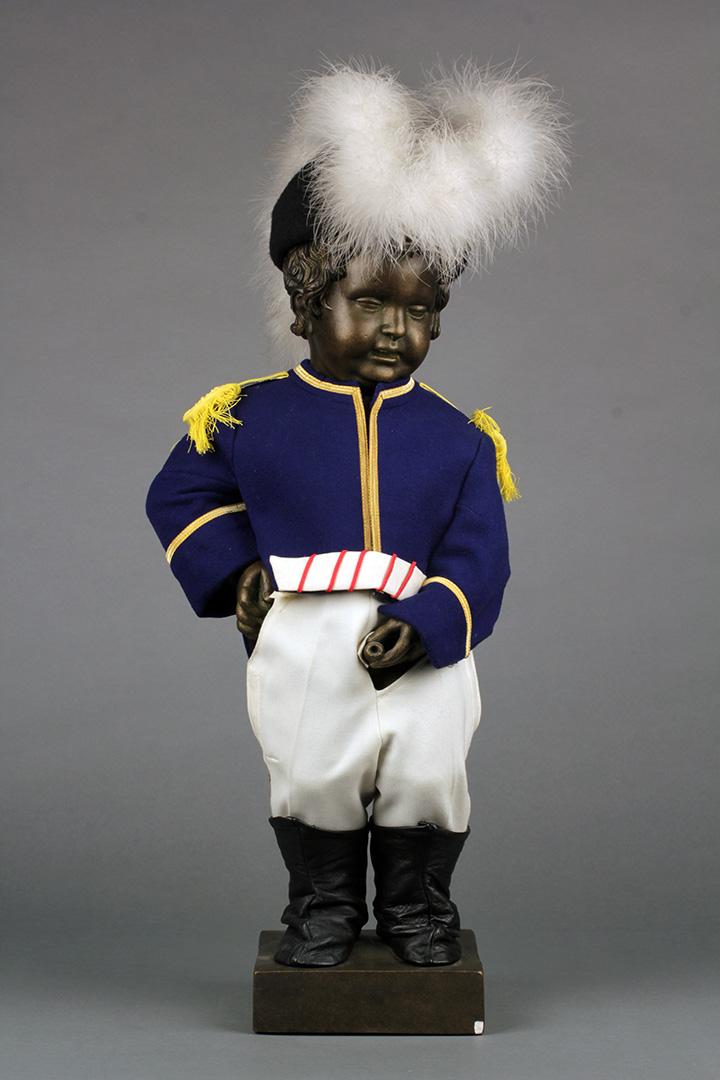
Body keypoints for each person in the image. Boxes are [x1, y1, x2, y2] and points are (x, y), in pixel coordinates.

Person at [146, 60, 569, 968]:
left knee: (428, 771)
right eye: (369, 301)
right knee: (313, 770)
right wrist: (239, 571)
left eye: (417, 309)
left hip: (423, 645)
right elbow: (178, 495)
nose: (393, 327)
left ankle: (417, 909)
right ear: (307, 305)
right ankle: (323, 908)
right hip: (302, 636)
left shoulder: (460, 439)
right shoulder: (248, 414)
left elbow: (480, 559)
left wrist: (432, 623)